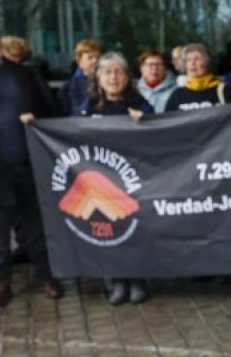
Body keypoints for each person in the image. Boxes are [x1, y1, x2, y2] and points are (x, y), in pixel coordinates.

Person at [0, 16, 61, 307]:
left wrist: (36, 120)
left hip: (28, 164)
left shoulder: (23, 74)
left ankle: (47, 276)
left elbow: (49, 111)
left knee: (36, 227)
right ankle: (0, 283)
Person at [80, 53, 152, 305]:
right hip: (100, 182)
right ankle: (117, 281)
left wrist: (144, 121)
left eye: (118, 72)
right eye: (107, 72)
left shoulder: (139, 103)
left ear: (127, 77)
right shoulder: (88, 105)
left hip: (132, 180)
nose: (113, 77)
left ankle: (138, 280)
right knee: (108, 230)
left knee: (134, 229)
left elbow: (158, 133)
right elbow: (70, 134)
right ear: (98, 77)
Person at [164, 43, 231, 112]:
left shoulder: (225, 91)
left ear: (207, 62)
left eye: (197, 59)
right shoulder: (177, 95)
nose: (192, 63)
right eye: (188, 60)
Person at [59, 39, 102, 115]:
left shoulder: (108, 83)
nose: (95, 61)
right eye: (90, 57)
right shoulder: (69, 87)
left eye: (98, 57)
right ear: (79, 61)